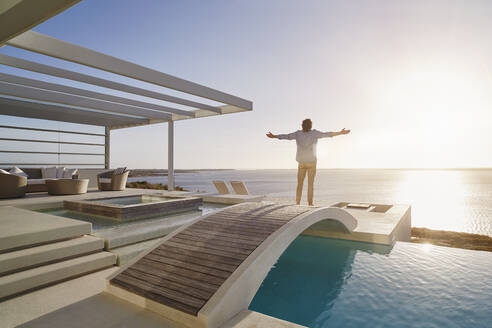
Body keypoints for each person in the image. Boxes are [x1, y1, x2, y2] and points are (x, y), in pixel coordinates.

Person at [266, 118, 350, 206]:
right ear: (310, 126)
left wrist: (274, 136)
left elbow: (286, 136)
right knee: (310, 184)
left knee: (300, 184)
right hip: (312, 162)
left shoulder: (298, 134)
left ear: (302, 125)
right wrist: (340, 133)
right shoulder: (314, 133)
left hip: (301, 162)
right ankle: (310, 203)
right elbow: (327, 134)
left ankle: (298, 203)